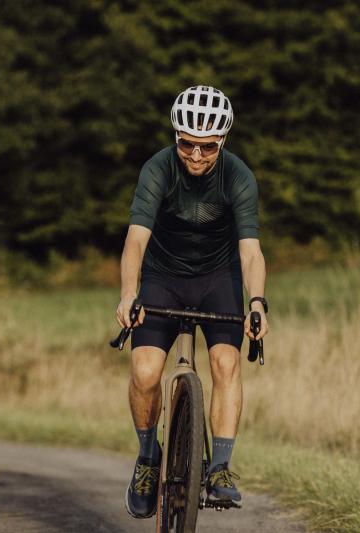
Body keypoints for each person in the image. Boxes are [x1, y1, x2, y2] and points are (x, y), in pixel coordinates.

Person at [116, 85, 269, 519]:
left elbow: (251, 252)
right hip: (163, 278)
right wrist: (128, 292)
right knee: (145, 371)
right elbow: (135, 241)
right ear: (176, 137)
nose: (196, 155)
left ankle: (219, 468)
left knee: (226, 362)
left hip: (218, 277)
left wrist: (257, 303)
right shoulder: (158, 169)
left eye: (207, 146)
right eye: (187, 144)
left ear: (223, 141)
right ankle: (149, 458)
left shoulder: (238, 176)